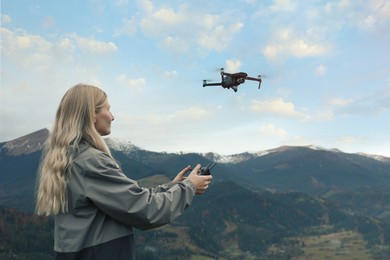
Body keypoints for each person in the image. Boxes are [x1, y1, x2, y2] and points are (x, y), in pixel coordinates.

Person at [35, 83, 213, 259]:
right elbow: (146, 210)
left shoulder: (70, 158)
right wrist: (188, 187)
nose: (112, 117)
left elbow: (128, 199)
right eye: (108, 109)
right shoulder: (91, 161)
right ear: (92, 114)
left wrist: (173, 186)